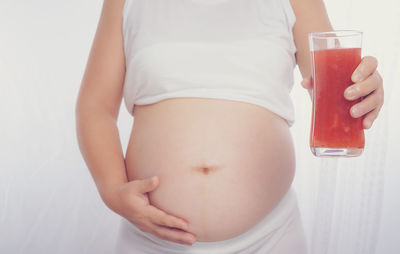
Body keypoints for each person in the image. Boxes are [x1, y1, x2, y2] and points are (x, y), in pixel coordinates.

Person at [75, 0, 384, 253]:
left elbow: (338, 87)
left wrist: (364, 88)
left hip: (271, 240)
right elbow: (95, 108)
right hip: (149, 242)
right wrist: (112, 190)